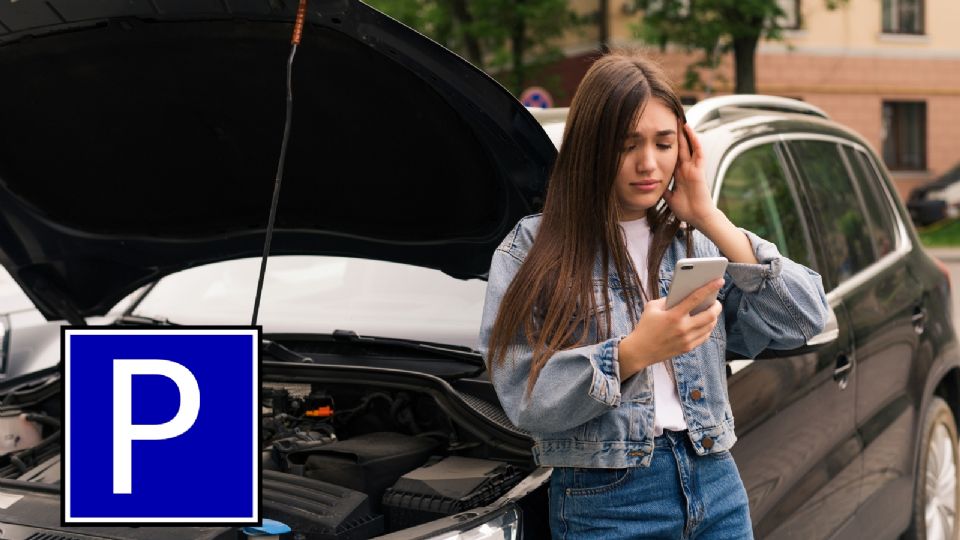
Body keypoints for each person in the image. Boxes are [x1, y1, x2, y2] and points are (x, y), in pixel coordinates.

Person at [478, 50, 830, 539]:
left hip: (715, 481)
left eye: (664, 144)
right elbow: (524, 395)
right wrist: (634, 352)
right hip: (605, 500)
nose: (649, 163)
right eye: (627, 145)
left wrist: (707, 214)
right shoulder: (531, 250)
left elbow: (804, 318)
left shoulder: (694, 239)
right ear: (591, 148)